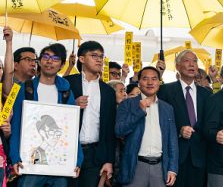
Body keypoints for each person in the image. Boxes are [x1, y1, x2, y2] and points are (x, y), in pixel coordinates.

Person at [10, 43, 83, 187]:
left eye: (55, 58)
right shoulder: (26, 88)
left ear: (62, 64)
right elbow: (17, 124)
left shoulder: (66, 91)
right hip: (30, 163)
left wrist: (77, 159)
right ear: (40, 61)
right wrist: (15, 157)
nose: (49, 61)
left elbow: (72, 129)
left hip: (59, 165)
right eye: (46, 57)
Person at [115, 66, 178, 187]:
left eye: (154, 79)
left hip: (160, 167)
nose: (150, 82)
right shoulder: (127, 104)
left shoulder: (167, 108)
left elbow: (172, 140)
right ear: (138, 83)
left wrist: (172, 168)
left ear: (159, 82)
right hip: (135, 165)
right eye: (145, 78)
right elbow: (119, 131)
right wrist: (139, 111)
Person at [65, 41, 116, 187]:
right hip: (68, 151)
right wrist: (72, 106)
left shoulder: (108, 91)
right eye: (94, 55)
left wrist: (109, 160)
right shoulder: (67, 83)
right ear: (81, 59)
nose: (99, 60)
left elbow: (109, 129)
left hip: (95, 154)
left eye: (101, 56)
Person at [158, 50, 212, 187]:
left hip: (200, 155)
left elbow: (209, 123)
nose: (192, 64)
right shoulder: (166, 90)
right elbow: (160, 120)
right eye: (187, 60)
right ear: (177, 66)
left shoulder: (206, 94)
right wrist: (178, 131)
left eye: (194, 61)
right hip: (176, 156)